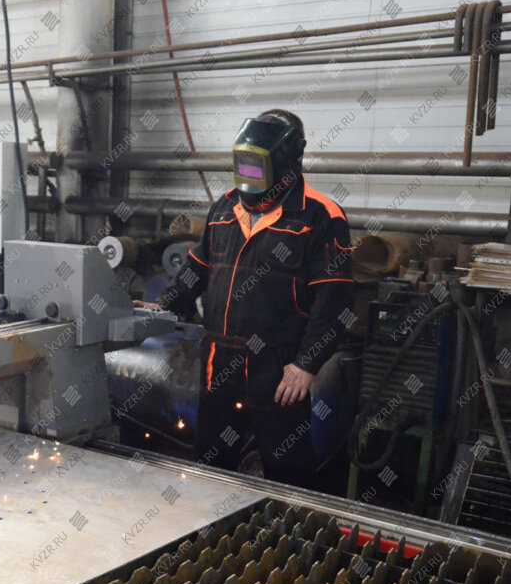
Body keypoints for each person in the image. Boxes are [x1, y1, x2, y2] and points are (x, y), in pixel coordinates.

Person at [139, 109, 354, 487]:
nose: (248, 179)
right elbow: (197, 269)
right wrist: (165, 304)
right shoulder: (224, 209)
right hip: (219, 365)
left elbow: (334, 300)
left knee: (288, 476)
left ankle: (287, 524)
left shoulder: (320, 216)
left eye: (257, 168)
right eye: (243, 167)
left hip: (279, 372)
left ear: (287, 163)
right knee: (210, 467)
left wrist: (307, 364)